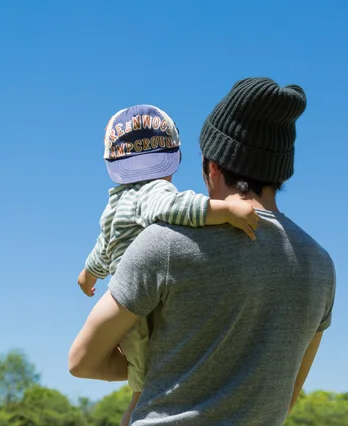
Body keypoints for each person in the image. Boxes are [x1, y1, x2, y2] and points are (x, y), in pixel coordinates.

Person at [68, 78, 336, 425]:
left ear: (212, 167)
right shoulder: (319, 265)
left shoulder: (163, 243)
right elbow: (285, 399)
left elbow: (81, 361)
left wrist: (158, 366)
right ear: (280, 172)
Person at [77, 104, 260, 425]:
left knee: (140, 390)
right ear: (172, 157)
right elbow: (179, 207)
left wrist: (87, 275)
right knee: (160, 380)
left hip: (125, 314)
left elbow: (103, 249)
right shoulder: (155, 191)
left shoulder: (115, 203)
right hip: (152, 306)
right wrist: (227, 211)